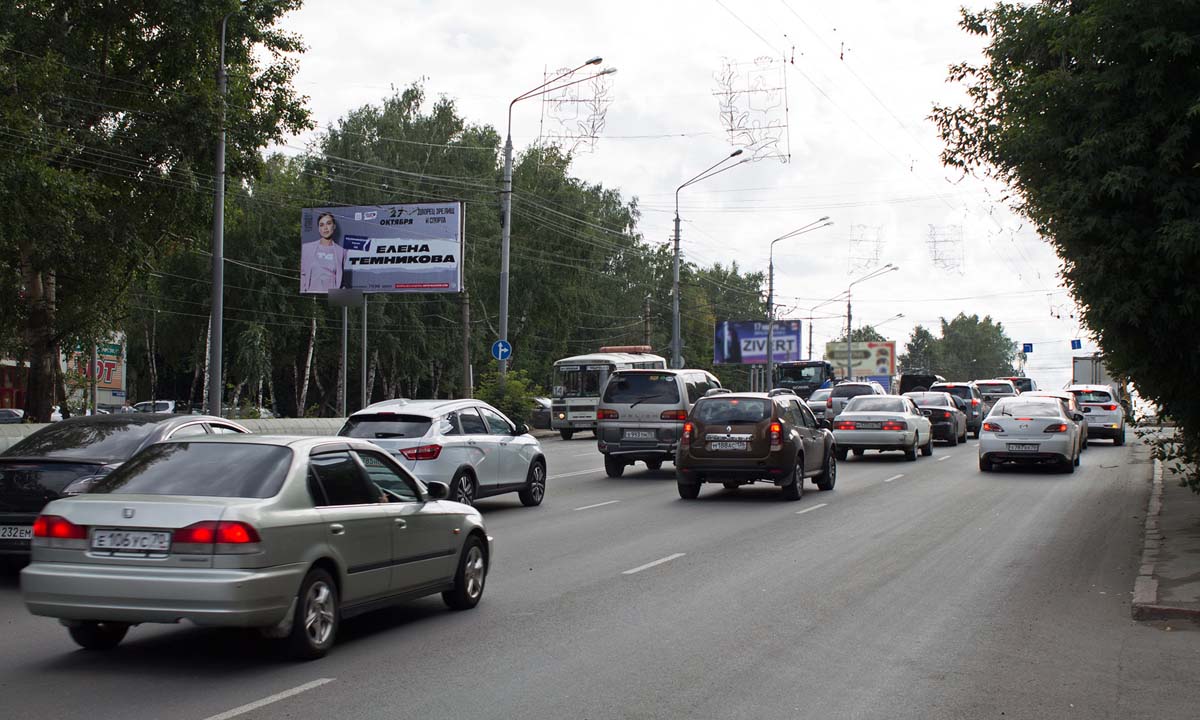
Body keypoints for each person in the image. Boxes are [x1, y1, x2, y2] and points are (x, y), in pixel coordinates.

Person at [300, 212, 346, 293]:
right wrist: (304, 292)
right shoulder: (306, 248)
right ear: (318, 229)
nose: (325, 228)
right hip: (311, 296)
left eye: (328, 223)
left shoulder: (341, 251)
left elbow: (344, 280)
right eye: (321, 225)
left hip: (332, 297)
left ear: (334, 226)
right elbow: (302, 274)